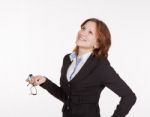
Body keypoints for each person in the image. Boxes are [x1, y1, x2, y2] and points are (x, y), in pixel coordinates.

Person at [26, 18, 136, 117]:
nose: (83, 33)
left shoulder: (100, 65)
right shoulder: (67, 59)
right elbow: (67, 97)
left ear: (97, 44)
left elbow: (129, 97)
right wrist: (45, 82)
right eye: (83, 28)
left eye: (90, 32)